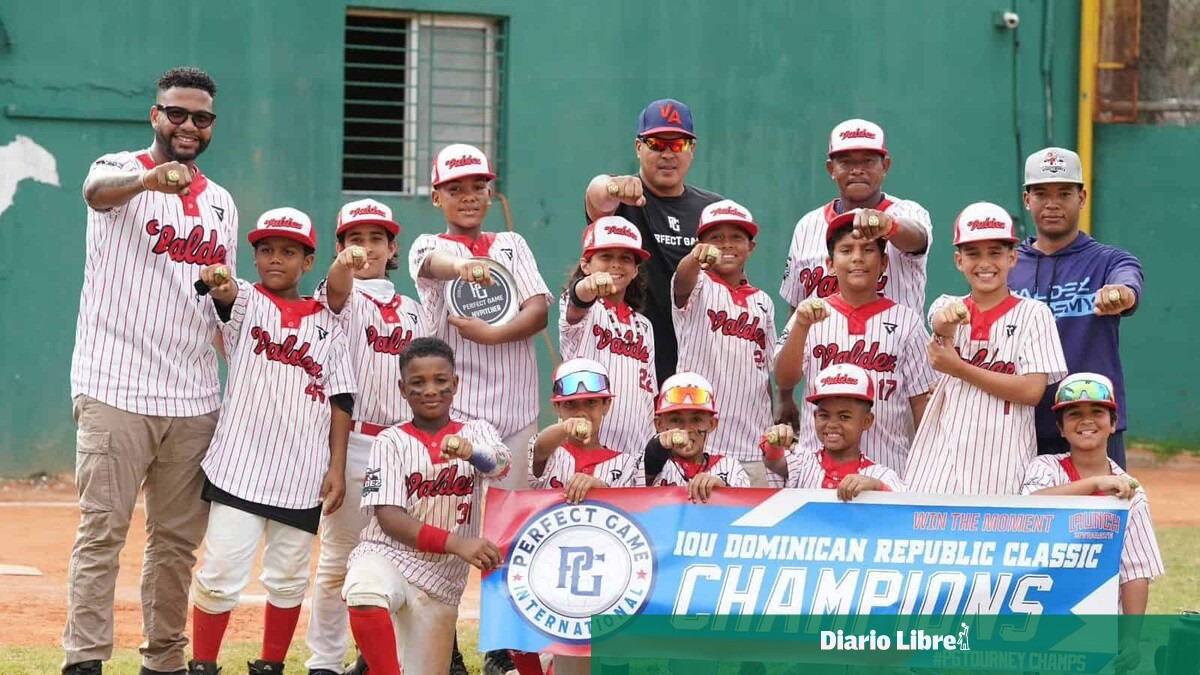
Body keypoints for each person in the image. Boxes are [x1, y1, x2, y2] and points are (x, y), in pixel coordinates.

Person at [65, 66, 238, 675]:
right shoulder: (118, 168)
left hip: (193, 398)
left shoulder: (221, 203)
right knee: (102, 533)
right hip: (115, 386)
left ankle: (163, 661)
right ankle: (85, 660)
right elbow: (96, 193)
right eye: (177, 113)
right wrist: (147, 180)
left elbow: (220, 306)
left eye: (202, 117)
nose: (189, 125)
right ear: (155, 116)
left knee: (175, 545)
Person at [187, 208, 355, 674]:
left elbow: (342, 400)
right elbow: (225, 291)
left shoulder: (329, 326)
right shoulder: (247, 302)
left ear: (308, 261)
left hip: (302, 474)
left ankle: (271, 665)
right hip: (239, 467)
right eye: (265, 250)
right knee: (219, 575)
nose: (275, 259)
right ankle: (202, 664)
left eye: (288, 251)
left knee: (287, 579)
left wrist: (337, 467)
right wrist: (218, 279)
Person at [408, 143, 551, 675]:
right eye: (456, 189)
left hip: (515, 411)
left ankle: (501, 646)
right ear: (437, 196)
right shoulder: (430, 245)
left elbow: (537, 312)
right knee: (450, 531)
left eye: (478, 187)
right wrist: (463, 266)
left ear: (490, 193)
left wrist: (492, 334)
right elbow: (434, 264)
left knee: (510, 535)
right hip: (459, 416)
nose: (468, 197)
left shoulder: (512, 244)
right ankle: (441, 646)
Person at [343, 337, 511, 675]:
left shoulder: (476, 430)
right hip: (389, 554)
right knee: (364, 589)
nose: (430, 390)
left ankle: (371, 662)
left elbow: (500, 464)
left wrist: (470, 452)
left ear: (455, 383)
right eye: (418, 383)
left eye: (440, 380)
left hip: (442, 579)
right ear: (403, 389)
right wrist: (457, 543)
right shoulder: (390, 440)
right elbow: (389, 518)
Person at [306, 199, 422, 675]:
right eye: (355, 238)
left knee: (401, 558)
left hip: (405, 446)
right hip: (353, 441)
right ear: (340, 247)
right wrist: (343, 265)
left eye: (377, 239)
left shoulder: (414, 311)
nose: (367, 248)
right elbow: (337, 284)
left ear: (393, 248)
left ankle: (376, 658)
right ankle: (324, 661)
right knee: (339, 557)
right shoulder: (340, 298)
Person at [776, 118, 933, 428]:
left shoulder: (907, 212)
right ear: (831, 169)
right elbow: (797, 306)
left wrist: (890, 226)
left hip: (894, 380)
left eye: (867, 161)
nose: (857, 170)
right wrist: (784, 394)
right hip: (826, 381)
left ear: (885, 166)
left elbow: (918, 239)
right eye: (846, 162)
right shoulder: (807, 226)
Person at [904, 202, 1067, 496]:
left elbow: (1032, 391)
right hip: (944, 459)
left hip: (1004, 459)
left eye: (995, 253)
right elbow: (940, 322)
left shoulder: (1034, 313)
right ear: (959, 260)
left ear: (1012, 257)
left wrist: (959, 368)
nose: (984, 263)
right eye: (973, 253)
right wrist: (947, 320)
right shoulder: (948, 304)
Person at [1009, 147, 1145, 469]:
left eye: (1064, 193)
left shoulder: (1108, 261)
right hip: (1021, 426)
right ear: (1027, 199)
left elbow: (1128, 282)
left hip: (1091, 423)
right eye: (1041, 193)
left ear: (1082, 198)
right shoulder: (1008, 265)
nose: (1052, 203)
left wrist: (1121, 294)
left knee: (1102, 504)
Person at [773, 210, 936, 476]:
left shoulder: (907, 322)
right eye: (846, 250)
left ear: (884, 263)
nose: (857, 258)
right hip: (816, 473)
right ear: (830, 264)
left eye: (868, 250)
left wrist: (926, 468)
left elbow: (921, 403)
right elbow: (784, 378)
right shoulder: (808, 314)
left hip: (887, 469)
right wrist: (801, 326)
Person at [1021, 372, 1163, 669]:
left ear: (1113, 423)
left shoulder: (1131, 492)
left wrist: (1130, 639)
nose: (1086, 421)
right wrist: (1095, 484)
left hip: (1098, 626)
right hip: (1036, 620)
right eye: (1074, 414)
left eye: (1097, 412)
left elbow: (1135, 572)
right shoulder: (1045, 467)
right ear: (1060, 428)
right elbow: (1031, 506)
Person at [583, 98, 723, 386]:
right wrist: (612, 186)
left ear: (692, 149)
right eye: (657, 144)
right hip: (626, 361)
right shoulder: (623, 199)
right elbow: (597, 195)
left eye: (678, 144)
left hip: (698, 366)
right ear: (638, 148)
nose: (668, 154)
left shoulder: (713, 210)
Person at [528, 358, 645, 675]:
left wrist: (600, 489)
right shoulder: (550, 451)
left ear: (606, 405)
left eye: (591, 403)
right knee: (561, 659)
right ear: (557, 407)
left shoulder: (627, 462)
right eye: (571, 405)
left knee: (611, 662)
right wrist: (563, 429)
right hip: (552, 578)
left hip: (608, 580)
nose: (581, 412)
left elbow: (637, 515)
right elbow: (540, 447)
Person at [671, 199, 776, 485]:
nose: (726, 244)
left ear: (750, 247)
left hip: (752, 445)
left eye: (736, 238)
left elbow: (764, 371)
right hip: (703, 447)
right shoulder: (698, 285)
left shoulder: (763, 301)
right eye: (716, 237)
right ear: (701, 244)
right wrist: (694, 259)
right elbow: (682, 280)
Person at [559, 218, 656, 456]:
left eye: (626, 258)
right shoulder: (583, 309)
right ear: (586, 265)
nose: (616, 264)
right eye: (606, 256)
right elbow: (577, 300)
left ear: (635, 270)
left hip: (634, 451)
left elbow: (649, 394)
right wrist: (587, 286)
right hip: (584, 445)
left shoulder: (644, 325)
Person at [764, 363, 904, 498]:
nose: (832, 424)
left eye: (844, 417)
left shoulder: (880, 475)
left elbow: (902, 504)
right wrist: (775, 439)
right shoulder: (803, 462)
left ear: (867, 421)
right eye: (824, 415)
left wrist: (876, 486)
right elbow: (773, 461)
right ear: (815, 416)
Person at [650, 372, 751, 498]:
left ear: (712, 424)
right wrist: (659, 443)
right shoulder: (651, 465)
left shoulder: (731, 467)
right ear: (659, 424)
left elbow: (745, 506)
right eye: (676, 420)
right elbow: (650, 459)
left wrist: (723, 489)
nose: (687, 429)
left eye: (696, 419)